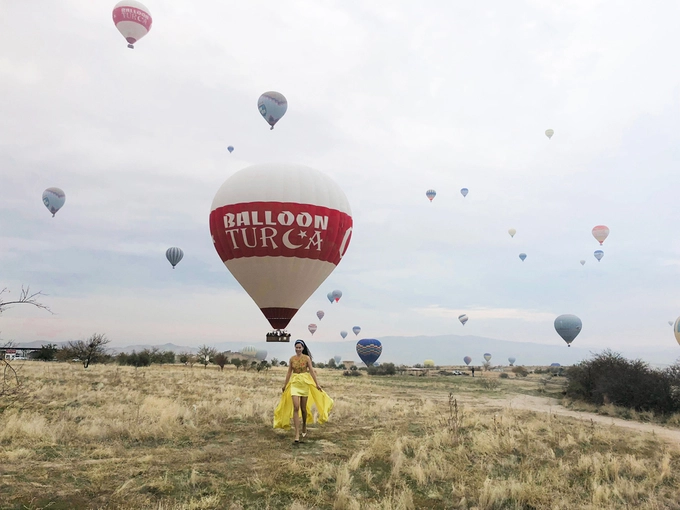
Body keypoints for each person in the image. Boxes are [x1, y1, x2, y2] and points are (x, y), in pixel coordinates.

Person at [273, 340, 333, 444]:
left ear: (303, 348)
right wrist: (285, 384)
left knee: (303, 408)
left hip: (304, 383)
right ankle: (296, 434)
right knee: (296, 407)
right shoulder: (292, 359)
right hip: (295, 382)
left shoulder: (307, 358)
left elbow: (311, 371)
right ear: (294, 348)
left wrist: (317, 384)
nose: (298, 349)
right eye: (296, 347)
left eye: (300, 347)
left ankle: (304, 424)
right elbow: (288, 373)